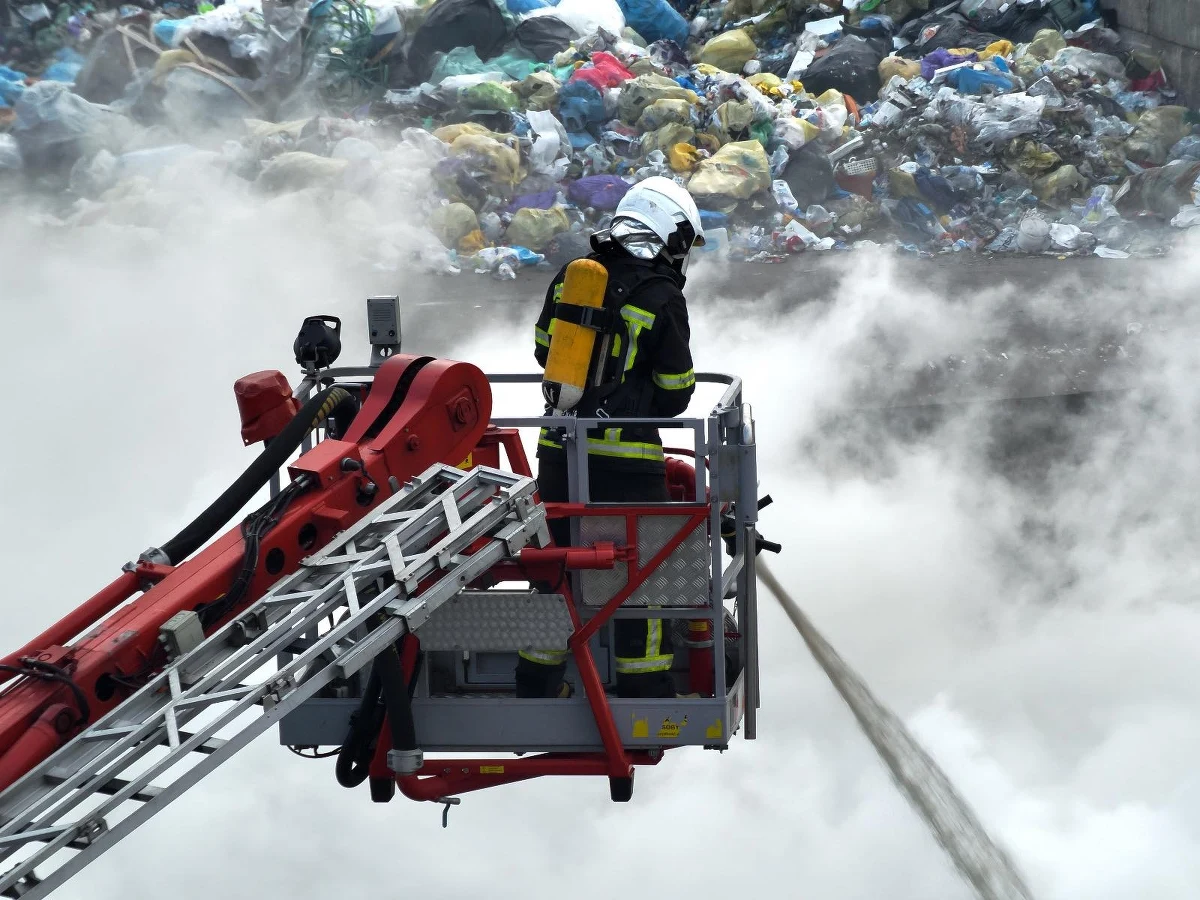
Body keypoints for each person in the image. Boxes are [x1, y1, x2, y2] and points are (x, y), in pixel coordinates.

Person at [516, 176, 704, 700]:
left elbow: (542, 350)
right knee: (636, 578)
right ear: (668, 233)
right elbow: (674, 393)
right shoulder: (661, 294)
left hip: (558, 453)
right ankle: (644, 687)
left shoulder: (573, 277)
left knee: (556, 569)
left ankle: (536, 681)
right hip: (627, 465)